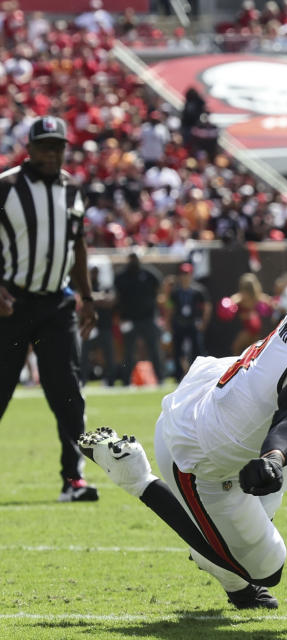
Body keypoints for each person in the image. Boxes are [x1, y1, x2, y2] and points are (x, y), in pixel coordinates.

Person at [78, 213, 287, 609]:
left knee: (241, 553)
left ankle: (227, 567)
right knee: (266, 568)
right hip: (204, 455)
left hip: (235, 413)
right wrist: (274, 456)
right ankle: (134, 476)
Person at [0, 116, 100, 502]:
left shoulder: (73, 189)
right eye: (44, 146)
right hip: (11, 305)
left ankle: (72, 479)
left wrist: (87, 297)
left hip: (57, 304)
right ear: (29, 147)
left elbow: (77, 246)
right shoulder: (7, 186)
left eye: (58, 146)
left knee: (68, 392)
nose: (52, 153)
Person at [114, 252, 163, 383]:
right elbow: (118, 298)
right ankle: (126, 380)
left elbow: (160, 286)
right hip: (129, 319)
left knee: (154, 349)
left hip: (148, 318)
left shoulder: (148, 274)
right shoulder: (121, 276)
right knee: (129, 351)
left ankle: (160, 378)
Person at [169, 262, 210, 381]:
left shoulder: (198, 290)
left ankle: (200, 374)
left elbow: (207, 307)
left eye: (187, 274)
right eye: (182, 274)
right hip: (179, 323)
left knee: (198, 350)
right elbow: (169, 307)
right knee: (177, 350)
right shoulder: (175, 292)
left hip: (193, 323)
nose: (184, 277)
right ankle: (179, 375)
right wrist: (168, 323)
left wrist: (203, 322)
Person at [80, 264, 117, 386]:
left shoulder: (105, 286)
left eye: (96, 272)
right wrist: (99, 298)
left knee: (109, 355)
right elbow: (82, 300)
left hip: (105, 326)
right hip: (90, 327)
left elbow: (111, 301)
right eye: (93, 272)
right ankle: (82, 380)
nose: (94, 274)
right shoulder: (86, 287)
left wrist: (93, 299)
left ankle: (110, 381)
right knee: (84, 355)